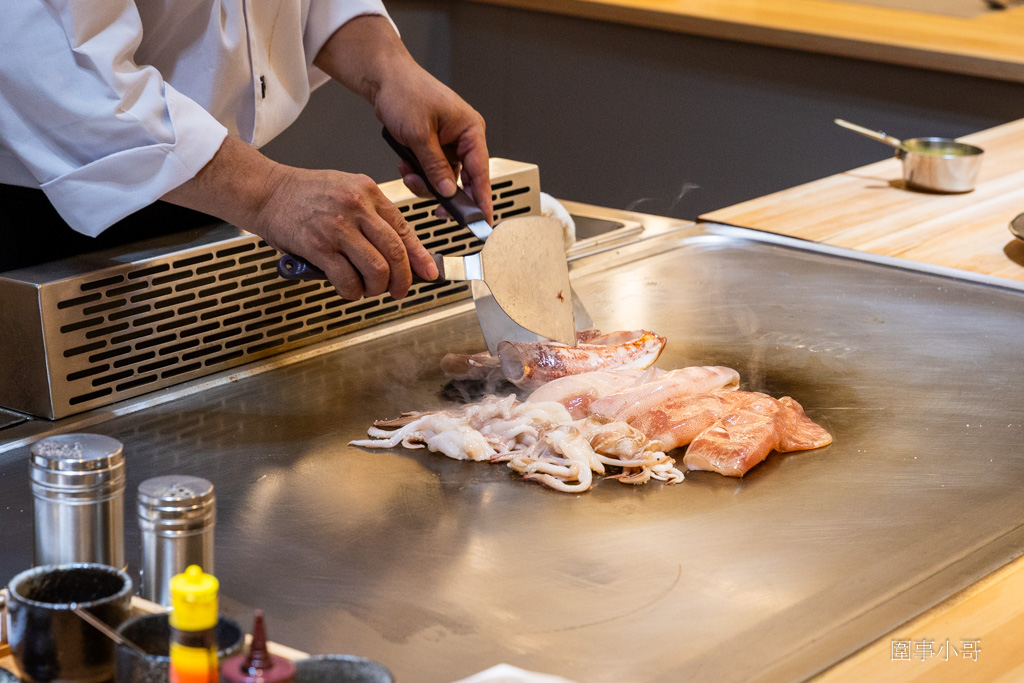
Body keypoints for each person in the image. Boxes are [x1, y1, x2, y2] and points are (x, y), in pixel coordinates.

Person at [0, 1, 491, 300]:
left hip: (206, 192)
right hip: (36, 225)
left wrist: (389, 68)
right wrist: (267, 193)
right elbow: (50, 63)